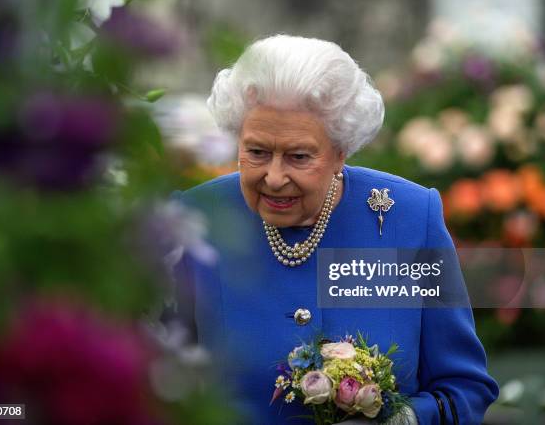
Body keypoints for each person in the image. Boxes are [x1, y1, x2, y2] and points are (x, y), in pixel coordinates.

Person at [168, 34, 498, 424]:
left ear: (341, 150)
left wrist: (400, 420)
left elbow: (464, 390)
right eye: (257, 152)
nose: (274, 178)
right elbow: (156, 383)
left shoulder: (409, 218)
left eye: (298, 156)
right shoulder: (199, 218)